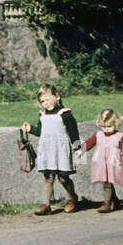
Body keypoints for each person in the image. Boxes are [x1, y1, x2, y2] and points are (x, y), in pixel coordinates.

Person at [21, 84, 82, 215]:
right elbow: (40, 132)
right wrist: (30, 128)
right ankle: (46, 204)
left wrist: (78, 147)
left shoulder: (65, 115)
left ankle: (72, 198)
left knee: (63, 177)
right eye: (42, 101)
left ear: (57, 96)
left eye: (48, 99)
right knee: (48, 177)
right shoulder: (42, 115)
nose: (45, 103)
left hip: (61, 150)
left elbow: (74, 133)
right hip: (47, 149)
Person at [78, 109, 123, 213]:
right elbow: (89, 142)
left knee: (109, 182)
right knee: (106, 182)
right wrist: (81, 150)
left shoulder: (119, 136)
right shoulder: (98, 135)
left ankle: (109, 202)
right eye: (104, 126)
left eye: (109, 126)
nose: (106, 129)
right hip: (101, 163)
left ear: (116, 124)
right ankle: (110, 201)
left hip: (113, 163)